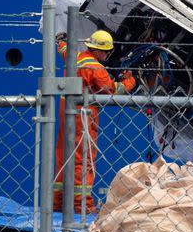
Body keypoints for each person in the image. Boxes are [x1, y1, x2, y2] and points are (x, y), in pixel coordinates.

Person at [53, 30, 136, 214]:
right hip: (84, 114)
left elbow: (64, 49)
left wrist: (61, 41)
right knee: (84, 160)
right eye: (106, 52)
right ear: (98, 50)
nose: (107, 55)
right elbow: (114, 90)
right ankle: (82, 205)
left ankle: (57, 204)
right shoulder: (95, 67)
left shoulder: (75, 56)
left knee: (63, 156)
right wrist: (131, 80)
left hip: (66, 108)